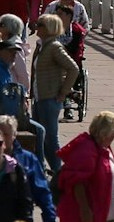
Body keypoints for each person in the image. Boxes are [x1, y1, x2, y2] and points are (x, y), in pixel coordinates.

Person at [57, 110, 114, 222]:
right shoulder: (87, 149)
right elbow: (77, 181)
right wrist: (84, 209)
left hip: (108, 219)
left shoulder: (104, 148)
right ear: (104, 132)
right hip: (93, 219)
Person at [0, 114, 58, 222]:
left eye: (5, 134)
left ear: (14, 135)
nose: (0, 138)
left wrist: (49, 219)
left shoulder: (27, 160)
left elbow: (42, 190)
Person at [33, 14, 81, 171]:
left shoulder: (54, 47)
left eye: (41, 24)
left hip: (50, 98)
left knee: (50, 138)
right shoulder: (43, 46)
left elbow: (73, 68)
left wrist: (63, 92)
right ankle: (46, 168)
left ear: (49, 29)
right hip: (40, 98)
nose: (37, 26)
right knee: (39, 136)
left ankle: (60, 172)